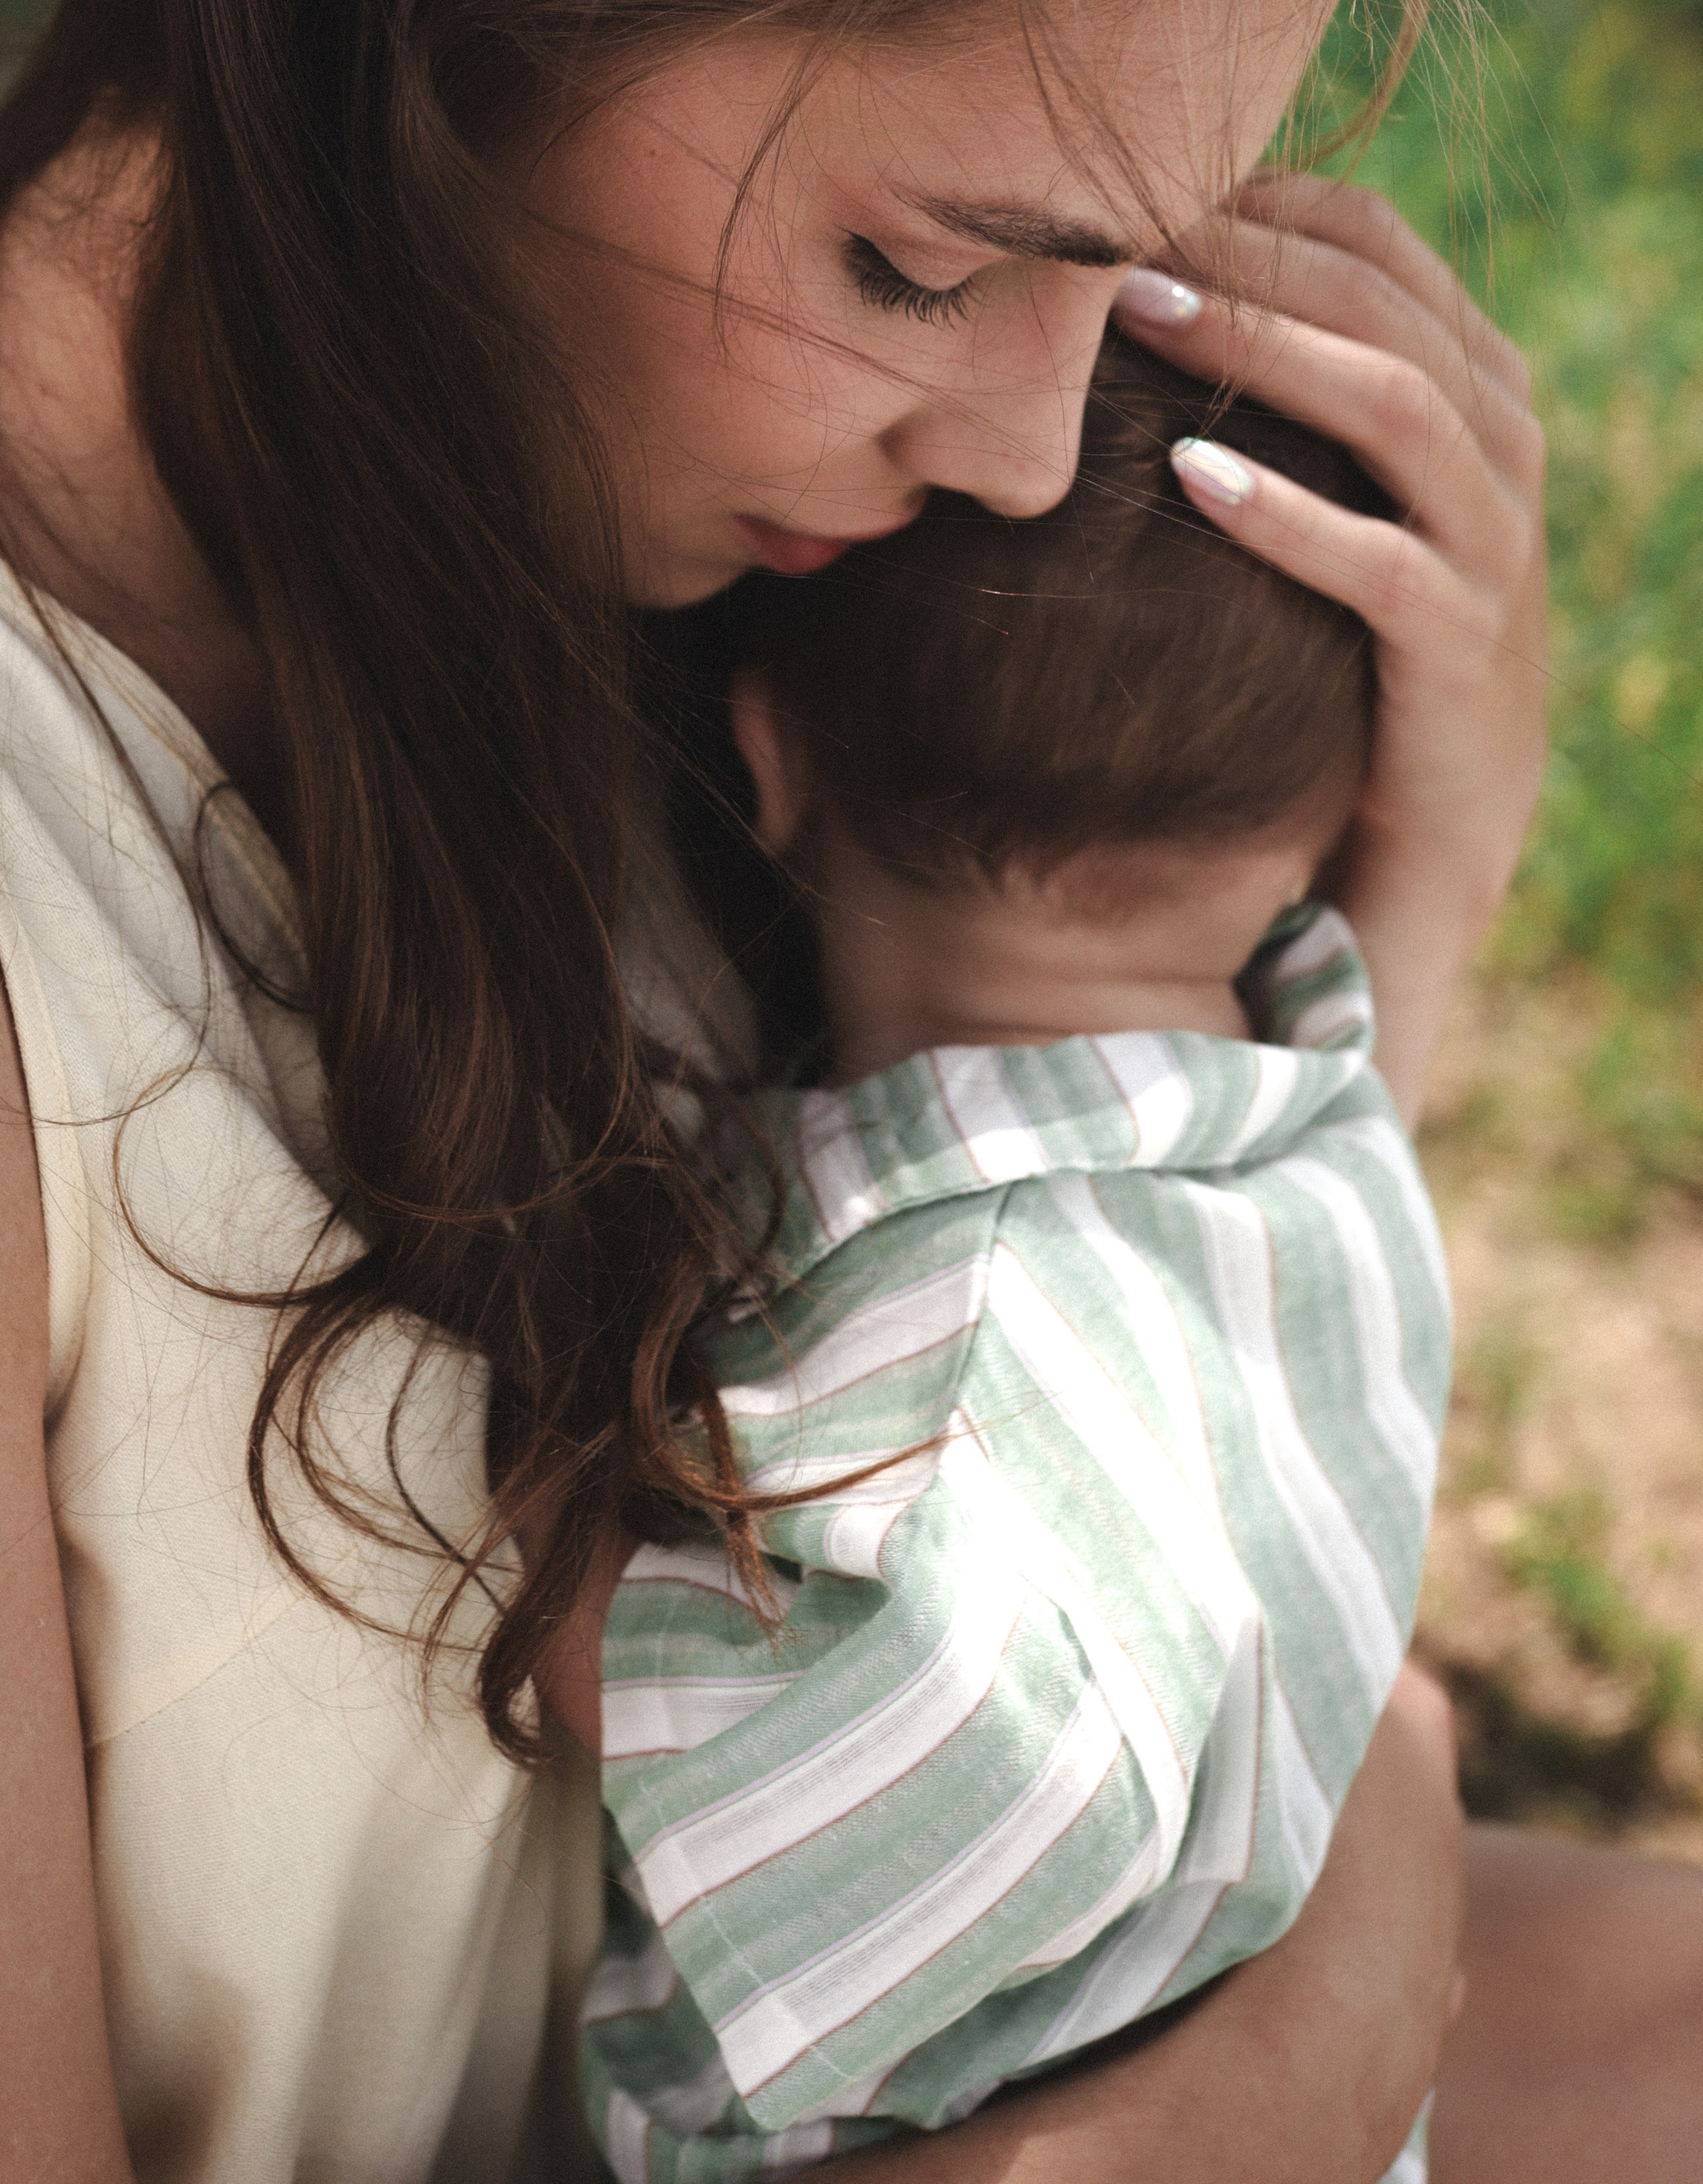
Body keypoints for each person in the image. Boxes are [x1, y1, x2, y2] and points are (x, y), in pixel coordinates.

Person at [0, 0, 1695, 2178]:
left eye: (1137, 282)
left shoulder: (665, 585)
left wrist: (1372, 929)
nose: (1041, 461)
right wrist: (1325, 2018)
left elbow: (1043, 1473)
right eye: (929, 267)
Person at [573, 344, 1447, 2183]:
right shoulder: (1315, 1152)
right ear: (1303, 836)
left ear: (762, 758)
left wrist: (555, 1573)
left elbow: (949, 1779)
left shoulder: (955, 1345)